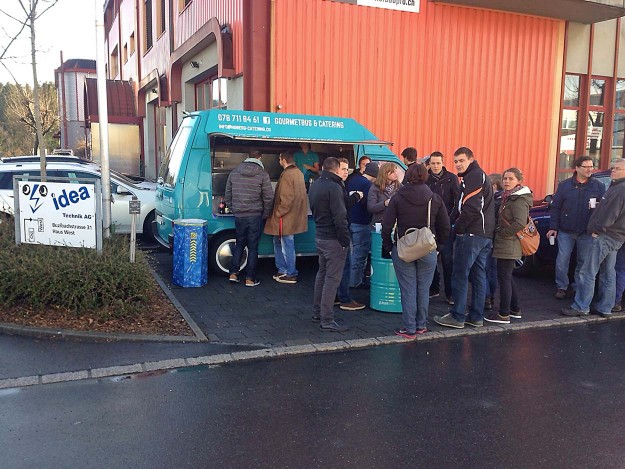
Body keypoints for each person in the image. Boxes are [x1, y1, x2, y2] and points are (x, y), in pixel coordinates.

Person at [381, 163, 450, 338]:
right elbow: (445, 226)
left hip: (404, 250)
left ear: (408, 176)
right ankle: (421, 325)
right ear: (425, 176)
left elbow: (386, 225)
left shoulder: (397, 198)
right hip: (428, 249)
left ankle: (409, 328)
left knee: (408, 289)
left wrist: (389, 246)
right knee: (423, 288)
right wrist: (439, 247)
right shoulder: (434, 198)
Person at [434, 147, 495, 329]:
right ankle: (476, 316)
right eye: (456, 161)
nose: (458, 164)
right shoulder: (473, 177)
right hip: (483, 235)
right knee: (478, 275)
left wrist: (457, 230)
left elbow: (471, 209)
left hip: (471, 234)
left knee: (460, 274)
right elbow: (461, 208)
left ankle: (457, 316)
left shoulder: (474, 176)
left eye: (461, 160)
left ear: (471, 159)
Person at [562, 158, 625, 318]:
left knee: (587, 271)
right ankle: (605, 308)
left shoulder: (620, 189)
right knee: (608, 272)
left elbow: (610, 214)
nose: (613, 170)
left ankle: (581, 306)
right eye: (613, 167)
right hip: (616, 236)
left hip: (606, 236)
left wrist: (597, 230)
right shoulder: (615, 186)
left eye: (617, 168)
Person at [546, 156, 605, 300]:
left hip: (587, 232)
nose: (590, 169)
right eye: (586, 167)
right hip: (566, 230)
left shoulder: (598, 186)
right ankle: (561, 286)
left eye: (591, 166)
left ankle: (578, 287)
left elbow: (603, 209)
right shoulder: (565, 185)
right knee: (562, 260)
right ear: (577, 168)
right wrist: (553, 226)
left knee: (583, 262)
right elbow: (556, 207)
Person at [308, 157, 352, 331]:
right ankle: (327, 319)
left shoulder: (315, 184)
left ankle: (317, 312)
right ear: (335, 169)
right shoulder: (334, 187)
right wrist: (345, 240)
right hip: (334, 239)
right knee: (332, 279)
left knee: (322, 275)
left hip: (320, 235)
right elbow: (340, 217)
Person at [485, 168, 533, 324]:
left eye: (510, 179)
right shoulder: (509, 197)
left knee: (504, 278)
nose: (506, 181)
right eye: (505, 178)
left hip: (509, 243)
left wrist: (503, 232)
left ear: (518, 181)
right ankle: (514, 308)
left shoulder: (518, 200)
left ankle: (503, 313)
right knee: (507, 276)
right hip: (507, 242)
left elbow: (519, 222)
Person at [225, 150, 274, 287]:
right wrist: (265, 214)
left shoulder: (234, 172)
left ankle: (233, 274)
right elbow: (269, 197)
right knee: (253, 247)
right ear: (260, 158)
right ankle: (250, 279)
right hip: (255, 215)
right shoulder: (263, 174)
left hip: (239, 215)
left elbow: (228, 193)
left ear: (247, 157)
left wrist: (233, 208)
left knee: (240, 243)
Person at [263, 151, 308, 284]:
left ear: (283, 160)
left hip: (284, 218)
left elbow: (287, 199)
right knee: (282, 242)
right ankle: (283, 270)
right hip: (293, 216)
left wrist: (278, 213)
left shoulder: (287, 174)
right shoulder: (299, 172)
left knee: (286, 244)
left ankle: (290, 272)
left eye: (279, 159)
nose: (278, 161)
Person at [425, 151, 459, 303]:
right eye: (433, 163)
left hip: (447, 225)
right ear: (429, 164)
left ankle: (450, 292)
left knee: (447, 259)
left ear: (443, 163)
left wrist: (450, 220)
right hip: (429, 226)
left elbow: (457, 201)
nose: (436, 166)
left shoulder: (451, 178)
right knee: (430, 257)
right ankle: (434, 288)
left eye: (438, 163)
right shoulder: (425, 178)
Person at [336, 157, 366, 311]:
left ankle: (336, 296)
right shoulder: (336, 186)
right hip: (339, 233)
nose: (346, 172)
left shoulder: (337, 184)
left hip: (330, 234)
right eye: (343, 169)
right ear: (335, 169)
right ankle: (345, 299)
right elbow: (341, 209)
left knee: (333, 268)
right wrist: (356, 197)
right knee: (345, 265)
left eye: (347, 169)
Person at [346, 161, 377, 288]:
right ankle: (355, 282)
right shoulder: (368, 185)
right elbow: (368, 205)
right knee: (359, 254)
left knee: (351, 253)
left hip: (349, 220)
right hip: (362, 222)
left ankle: (349, 279)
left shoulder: (351, 180)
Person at [484, 173, 504, 310]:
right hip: (498, 239)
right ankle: (490, 297)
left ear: (493, 186)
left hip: (490, 237)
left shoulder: (493, 201)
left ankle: (486, 297)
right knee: (492, 270)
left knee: (484, 268)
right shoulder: (505, 198)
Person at [367, 162, 400, 226]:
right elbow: (371, 207)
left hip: (395, 224)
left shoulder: (399, 187)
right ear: (385, 173)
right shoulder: (375, 187)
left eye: (396, 172)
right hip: (379, 224)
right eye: (393, 172)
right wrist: (384, 203)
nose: (396, 174)